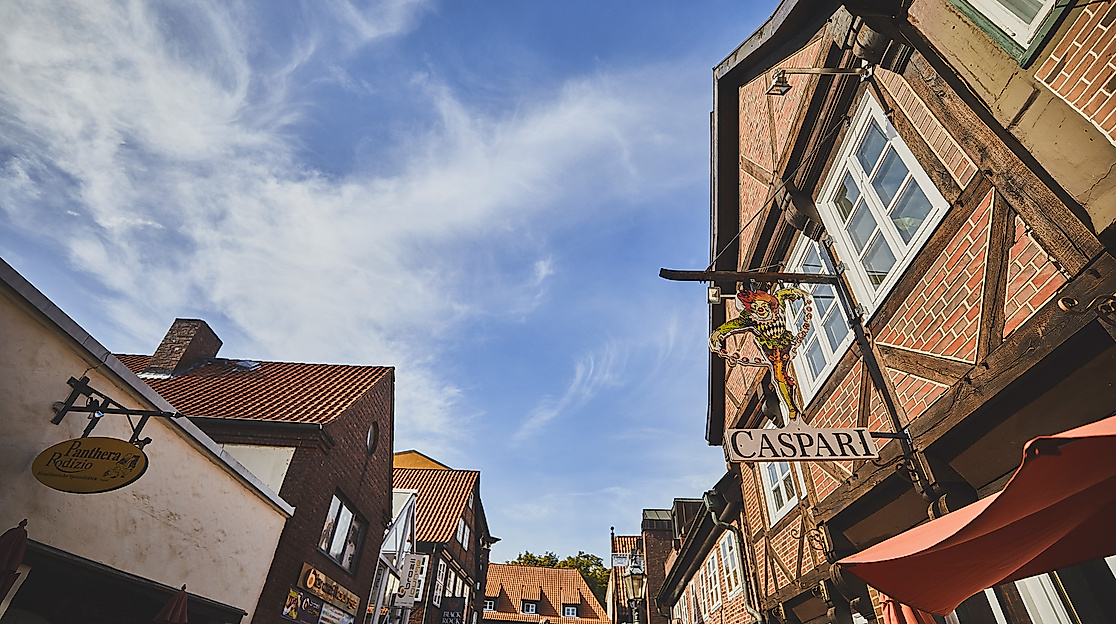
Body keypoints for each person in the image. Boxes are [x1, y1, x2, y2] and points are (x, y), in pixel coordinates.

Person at [709, 288, 809, 420]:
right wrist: (718, 333)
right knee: (779, 376)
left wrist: (798, 292)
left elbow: (782, 293)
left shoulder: (777, 306)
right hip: (772, 350)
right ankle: (791, 407)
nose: (759, 308)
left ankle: (792, 406)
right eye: (755, 306)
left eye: (762, 305)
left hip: (785, 342)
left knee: (781, 374)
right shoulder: (751, 319)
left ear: (769, 304)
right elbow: (734, 324)